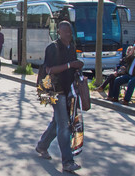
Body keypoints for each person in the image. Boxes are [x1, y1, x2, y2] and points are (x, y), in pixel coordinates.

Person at [35, 21, 84, 173]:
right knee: (64, 125)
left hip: (68, 89)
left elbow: (72, 67)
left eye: (70, 32)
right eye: (66, 32)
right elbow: (49, 69)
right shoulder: (52, 48)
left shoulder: (72, 46)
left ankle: (42, 146)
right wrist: (70, 65)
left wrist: (77, 69)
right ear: (59, 32)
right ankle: (67, 162)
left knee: (58, 122)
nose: (69, 34)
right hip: (55, 90)